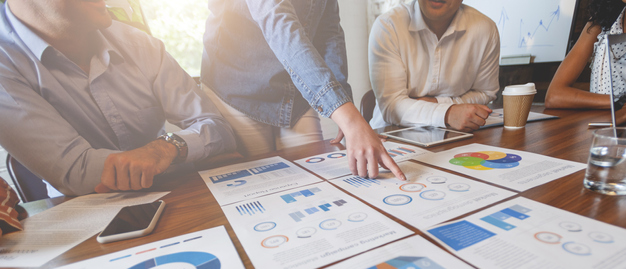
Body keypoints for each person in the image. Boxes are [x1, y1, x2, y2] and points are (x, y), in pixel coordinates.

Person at [0, 0, 237, 197]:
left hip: (175, 191)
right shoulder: (5, 66)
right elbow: (77, 174)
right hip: (86, 215)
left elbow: (217, 128)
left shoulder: (138, 42)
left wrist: (165, 148)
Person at [201, 0, 405, 180]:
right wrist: (350, 119)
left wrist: (344, 100)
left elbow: (329, 31)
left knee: (317, 178)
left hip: (294, 91)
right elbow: (279, 24)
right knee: (261, 185)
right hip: (238, 90)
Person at [368, 0, 500, 131]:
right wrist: (448, 113)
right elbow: (393, 107)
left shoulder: (485, 29)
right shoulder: (388, 26)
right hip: (391, 136)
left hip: (457, 136)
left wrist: (438, 103)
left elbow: (485, 92)